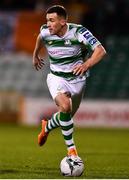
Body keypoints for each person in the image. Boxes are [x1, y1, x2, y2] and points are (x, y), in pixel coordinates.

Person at [33, 5, 106, 157]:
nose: (48, 24)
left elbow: (100, 51)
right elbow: (40, 37)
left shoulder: (79, 32)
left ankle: (46, 127)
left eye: (52, 20)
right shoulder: (46, 31)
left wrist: (86, 64)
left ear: (63, 21)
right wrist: (35, 55)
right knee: (65, 106)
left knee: (65, 116)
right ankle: (71, 151)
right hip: (56, 77)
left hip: (77, 80)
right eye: (47, 20)